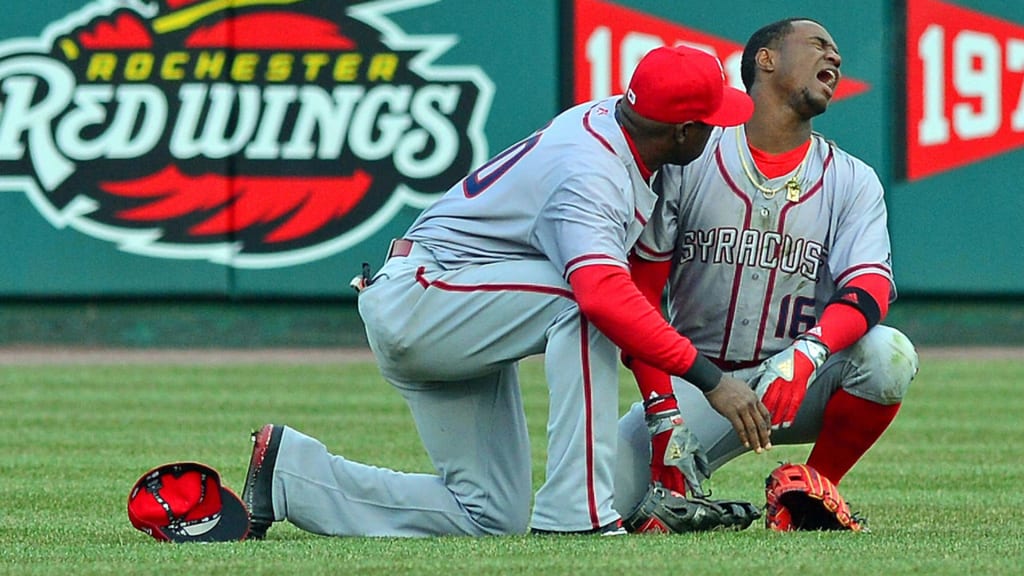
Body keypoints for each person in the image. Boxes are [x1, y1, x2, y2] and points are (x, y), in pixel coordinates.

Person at [240, 45, 768, 539]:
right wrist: (711, 379)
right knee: (587, 300)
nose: (717, 131)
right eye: (710, 123)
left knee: (490, 513)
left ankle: (294, 475)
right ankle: (578, 514)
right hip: (424, 297)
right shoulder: (591, 171)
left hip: (462, 309)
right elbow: (603, 297)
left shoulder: (627, 133)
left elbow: (629, 294)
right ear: (681, 132)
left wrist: (663, 411)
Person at [612, 18, 920, 527]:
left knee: (889, 355)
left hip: (799, 377)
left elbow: (869, 288)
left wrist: (809, 353)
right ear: (766, 59)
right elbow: (639, 293)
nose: (835, 57)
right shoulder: (693, 157)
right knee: (609, 501)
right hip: (701, 381)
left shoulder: (851, 179)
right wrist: (662, 410)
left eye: (836, 51)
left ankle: (811, 493)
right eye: (818, 44)